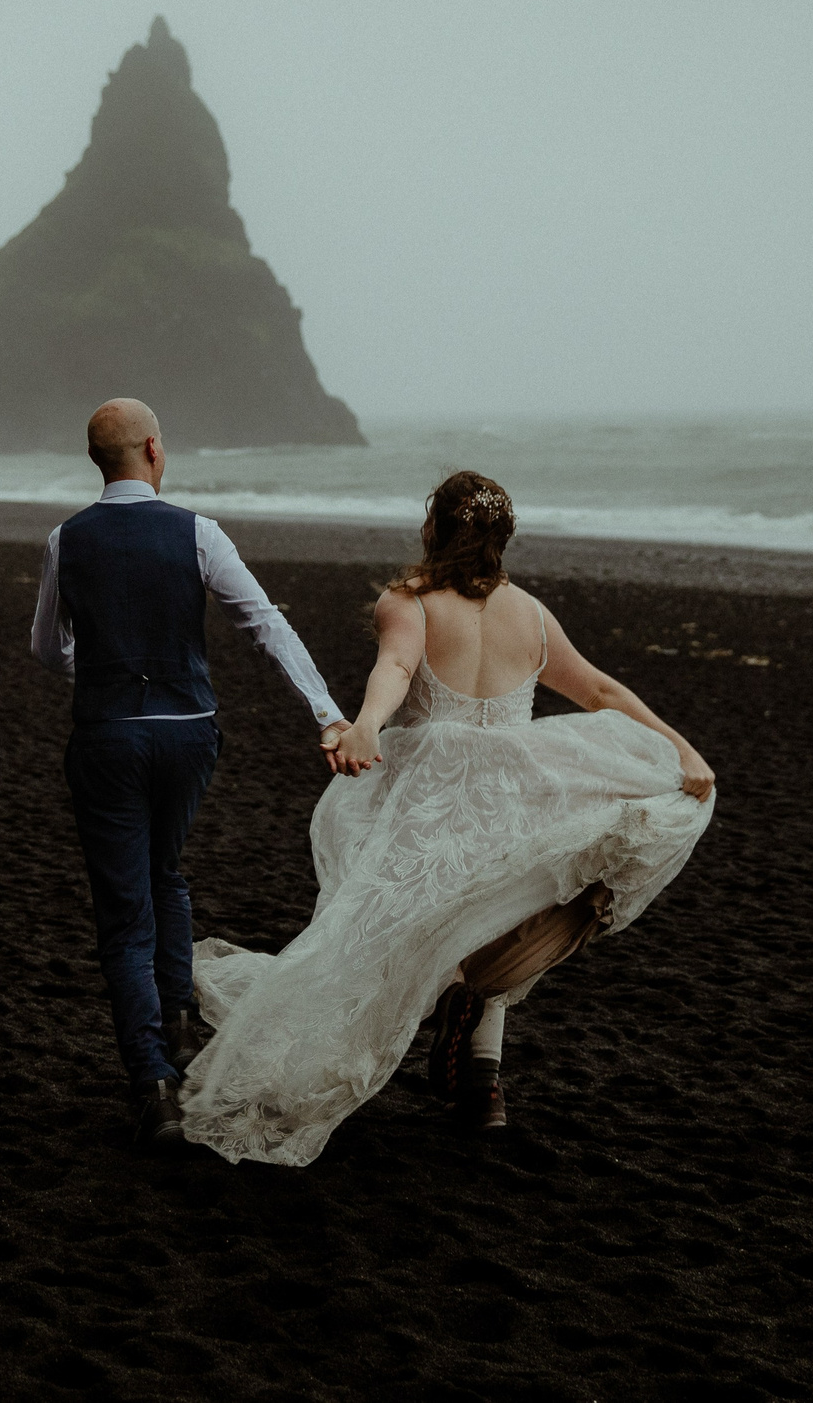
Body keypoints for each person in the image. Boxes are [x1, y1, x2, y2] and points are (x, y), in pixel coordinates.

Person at [178, 470, 717, 1167]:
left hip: (435, 792)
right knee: (494, 911)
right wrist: (683, 747)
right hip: (517, 792)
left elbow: (397, 667)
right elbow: (600, 689)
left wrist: (368, 723)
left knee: (396, 932)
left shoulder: (409, 600)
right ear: (502, 537)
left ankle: (460, 1054)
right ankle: (484, 1087)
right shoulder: (530, 612)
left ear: (434, 528)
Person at [30, 397, 350, 1149]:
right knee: (165, 872)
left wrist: (97, 670)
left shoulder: (64, 539)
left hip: (108, 735)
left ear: (97, 460)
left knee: (124, 913)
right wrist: (327, 714)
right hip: (186, 734)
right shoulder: (198, 532)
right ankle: (176, 1022)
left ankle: (154, 1085)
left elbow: (47, 648)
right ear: (152, 448)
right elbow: (264, 622)